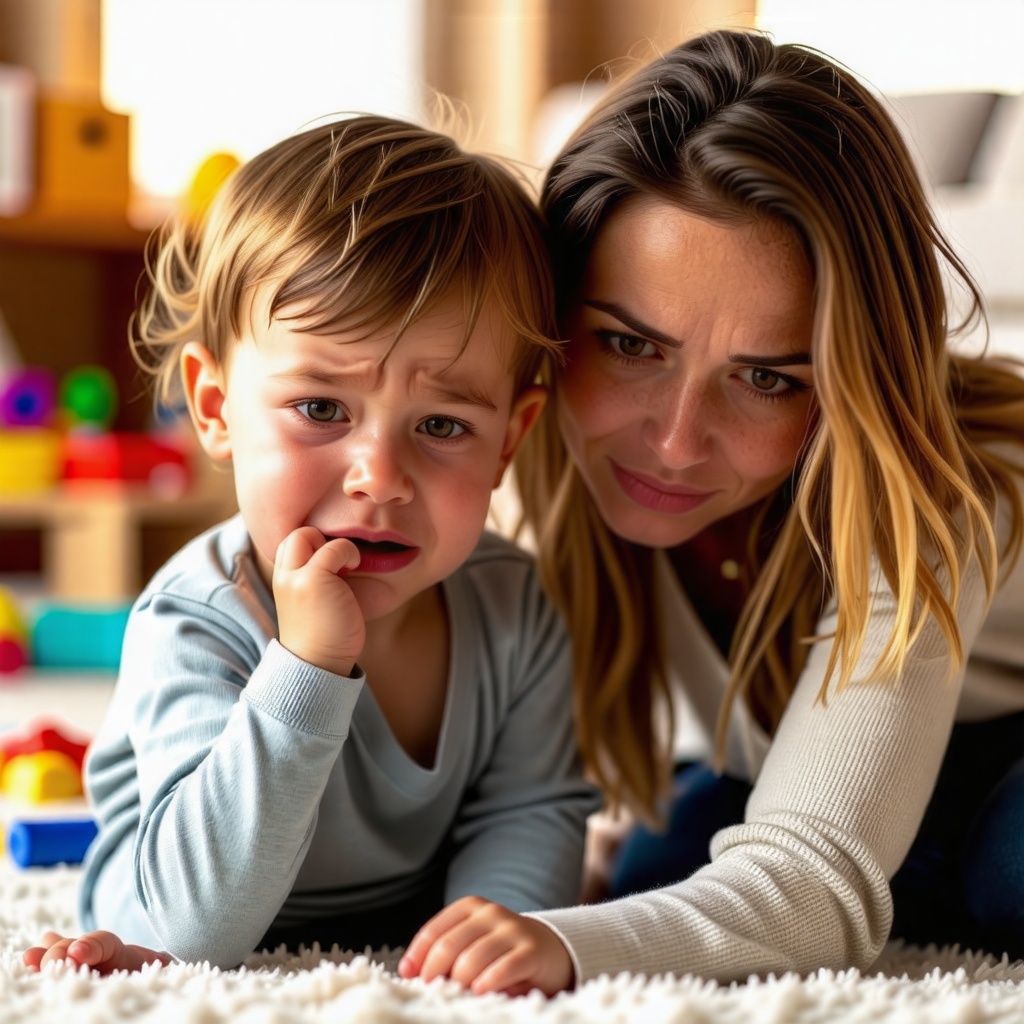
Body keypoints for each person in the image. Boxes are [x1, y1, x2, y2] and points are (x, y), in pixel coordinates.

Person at [396, 28, 1024, 995]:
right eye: (630, 345)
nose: (677, 442)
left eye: (768, 377)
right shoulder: (516, 435)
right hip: (841, 781)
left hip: (1004, 771)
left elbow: (813, 879)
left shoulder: (946, 479)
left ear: (852, 379)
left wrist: (571, 946)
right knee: (661, 860)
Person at [23, 114, 598, 974]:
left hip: (392, 916)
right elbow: (197, 928)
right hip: (175, 914)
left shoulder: (513, 608)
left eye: (442, 424)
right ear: (214, 410)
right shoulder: (196, 620)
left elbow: (530, 814)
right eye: (322, 410)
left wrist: (486, 939)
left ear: (509, 441)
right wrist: (308, 665)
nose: (379, 475)